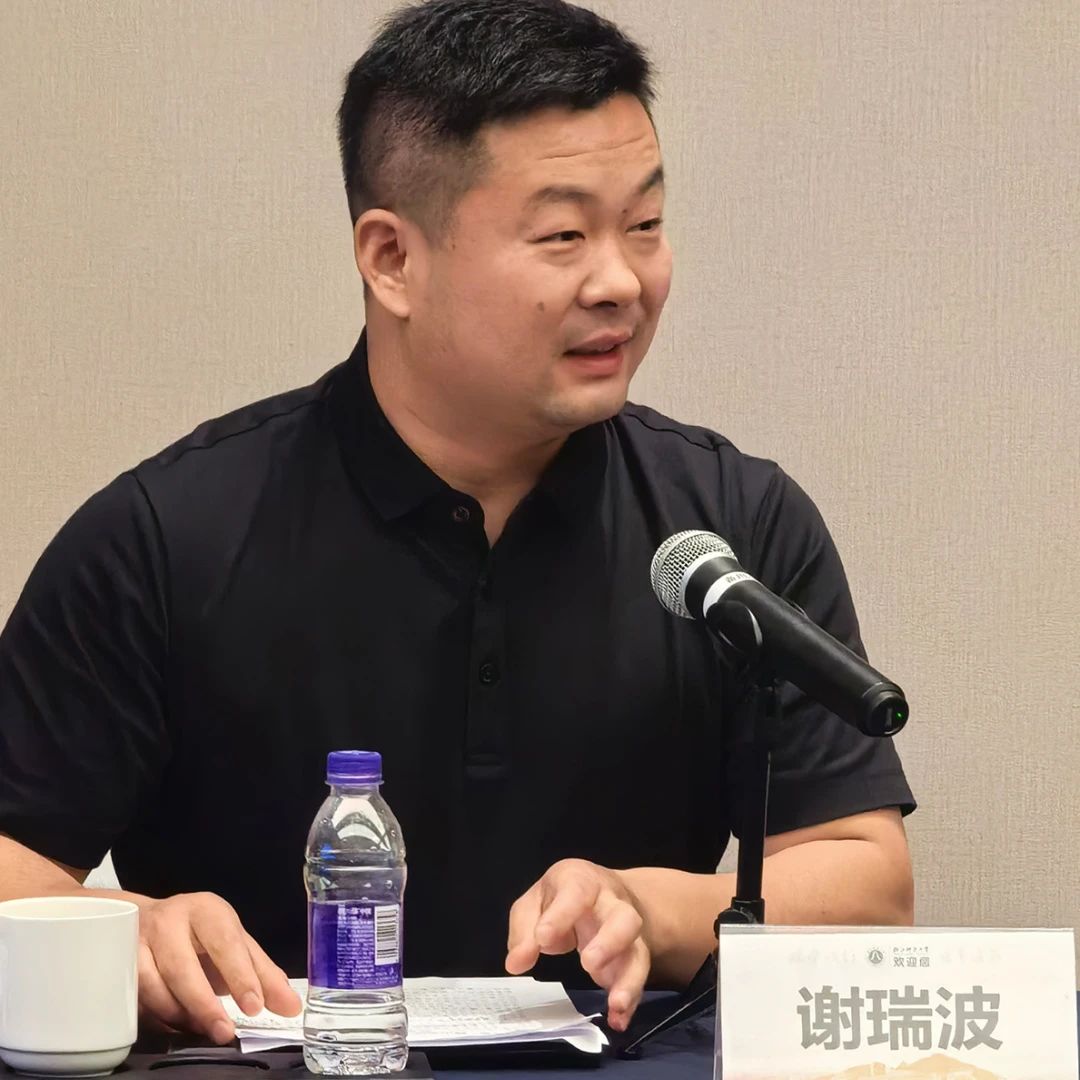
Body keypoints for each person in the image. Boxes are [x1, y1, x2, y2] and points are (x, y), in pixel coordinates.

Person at [0, 0, 915, 1048]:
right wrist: (130, 929)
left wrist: (647, 908)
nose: (622, 281)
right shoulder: (168, 536)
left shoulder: (729, 531)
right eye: (563, 235)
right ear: (392, 258)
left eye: (645, 225)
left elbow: (866, 884)